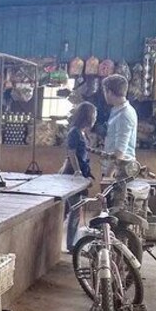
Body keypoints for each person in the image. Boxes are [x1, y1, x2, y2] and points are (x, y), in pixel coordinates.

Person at [62, 102, 96, 251]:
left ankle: (73, 242)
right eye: (94, 115)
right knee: (74, 210)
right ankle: (71, 245)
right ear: (87, 116)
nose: (95, 118)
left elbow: (84, 152)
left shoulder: (82, 133)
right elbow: (71, 153)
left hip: (81, 174)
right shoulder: (74, 132)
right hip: (72, 175)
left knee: (74, 210)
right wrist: (77, 172)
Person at [102, 74, 138, 212]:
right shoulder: (116, 110)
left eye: (105, 91)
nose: (105, 95)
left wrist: (108, 175)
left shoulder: (125, 114)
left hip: (121, 170)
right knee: (108, 210)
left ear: (110, 92)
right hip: (113, 167)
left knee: (117, 212)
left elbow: (120, 152)